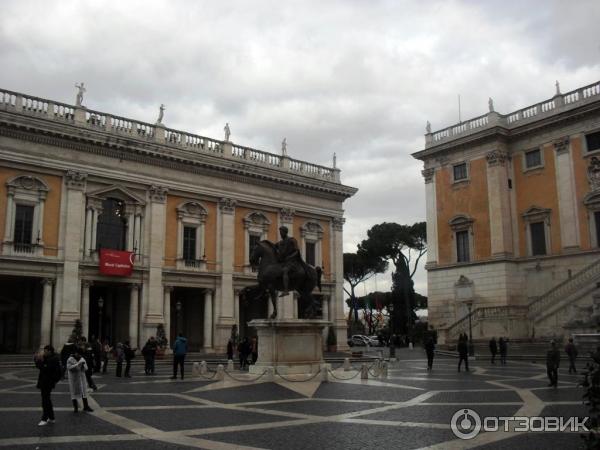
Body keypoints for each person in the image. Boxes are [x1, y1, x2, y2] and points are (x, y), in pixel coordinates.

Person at [35, 345, 62, 426]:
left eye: (45, 351)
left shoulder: (53, 359)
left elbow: (45, 369)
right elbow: (39, 366)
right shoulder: (47, 358)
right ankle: (51, 417)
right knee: (46, 399)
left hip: (48, 382)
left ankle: (45, 418)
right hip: (44, 382)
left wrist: (40, 361)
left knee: (45, 401)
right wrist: (37, 359)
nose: (44, 352)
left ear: (50, 351)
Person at [274, 226, 301, 297]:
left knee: (285, 270)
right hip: (283, 262)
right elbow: (273, 247)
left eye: (281, 232)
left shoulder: (292, 240)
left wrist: (290, 257)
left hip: (292, 262)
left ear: (285, 232)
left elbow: (297, 251)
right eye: (280, 232)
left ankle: (286, 290)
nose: (280, 234)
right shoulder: (280, 243)